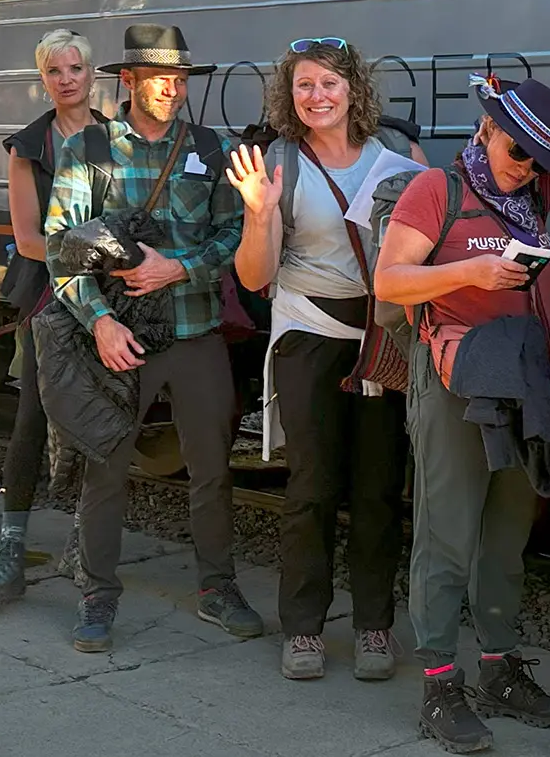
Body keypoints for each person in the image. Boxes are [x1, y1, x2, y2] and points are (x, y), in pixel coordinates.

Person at [374, 75, 550, 753]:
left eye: (540, 157)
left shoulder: (534, 189)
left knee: (506, 535)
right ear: (485, 129)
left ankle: (499, 668)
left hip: (524, 382)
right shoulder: (436, 191)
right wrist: (469, 274)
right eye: (517, 148)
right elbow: (389, 281)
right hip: (456, 382)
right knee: (447, 535)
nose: (527, 166)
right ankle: (439, 683)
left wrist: (528, 115)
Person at [43, 24, 255, 653]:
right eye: (161, 78)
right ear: (130, 81)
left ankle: (218, 587)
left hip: (194, 332)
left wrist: (179, 268)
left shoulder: (212, 149)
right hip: (119, 336)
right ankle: (97, 594)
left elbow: (234, 233)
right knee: (106, 469)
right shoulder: (88, 149)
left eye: (181, 79)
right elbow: (61, 248)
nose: (173, 89)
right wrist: (99, 323)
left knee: (212, 468)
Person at [226, 37, 424, 681]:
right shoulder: (278, 162)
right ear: (290, 95)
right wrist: (259, 214)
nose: (317, 96)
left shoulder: (399, 158)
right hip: (309, 333)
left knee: (379, 487)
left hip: (381, 338)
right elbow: (256, 277)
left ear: (353, 90)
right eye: (304, 85)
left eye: (329, 84)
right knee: (311, 486)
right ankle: (303, 629)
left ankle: (374, 626)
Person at [0, 29, 101, 604]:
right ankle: (11, 544)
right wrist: (94, 260)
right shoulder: (27, 146)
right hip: (49, 294)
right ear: (42, 79)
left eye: (75, 68)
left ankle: (84, 539)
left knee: (102, 419)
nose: (66, 79)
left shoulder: (117, 137)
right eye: (54, 71)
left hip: (111, 297)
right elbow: (26, 239)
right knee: (32, 416)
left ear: (91, 73)